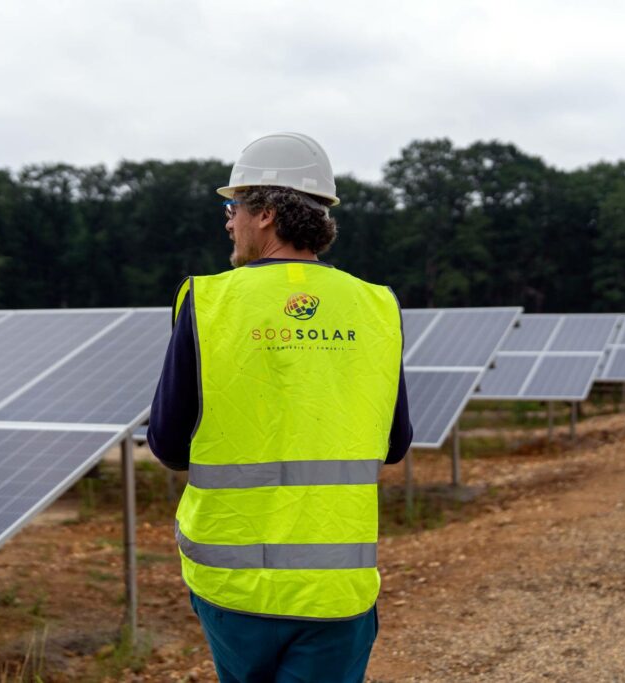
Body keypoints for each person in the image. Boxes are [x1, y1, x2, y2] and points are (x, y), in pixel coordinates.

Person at [148, 132, 412, 683]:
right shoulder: (378, 306)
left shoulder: (206, 300)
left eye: (232, 207)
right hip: (336, 587)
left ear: (266, 213)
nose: (228, 220)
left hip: (231, 583)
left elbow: (170, 446)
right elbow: (395, 444)